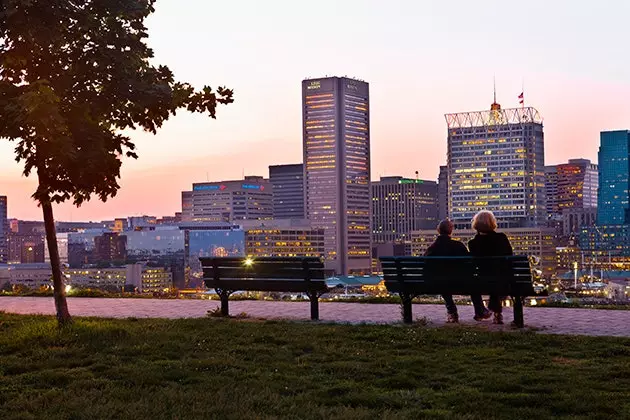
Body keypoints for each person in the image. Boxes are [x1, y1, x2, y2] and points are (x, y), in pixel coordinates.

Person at [424, 219, 490, 323]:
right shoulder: (458, 246)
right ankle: (480, 310)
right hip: (460, 283)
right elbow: (470, 265)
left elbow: (426, 268)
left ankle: (452, 311)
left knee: (442, 281)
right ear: (450, 230)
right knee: (473, 280)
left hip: (437, 284)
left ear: (438, 230)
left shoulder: (432, 249)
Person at [468, 210, 514, 325]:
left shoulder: (473, 243)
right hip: (502, 280)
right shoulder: (501, 238)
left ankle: (480, 311)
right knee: (496, 277)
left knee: (482, 280)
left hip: (481, 281)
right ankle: (497, 313)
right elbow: (510, 257)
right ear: (492, 223)